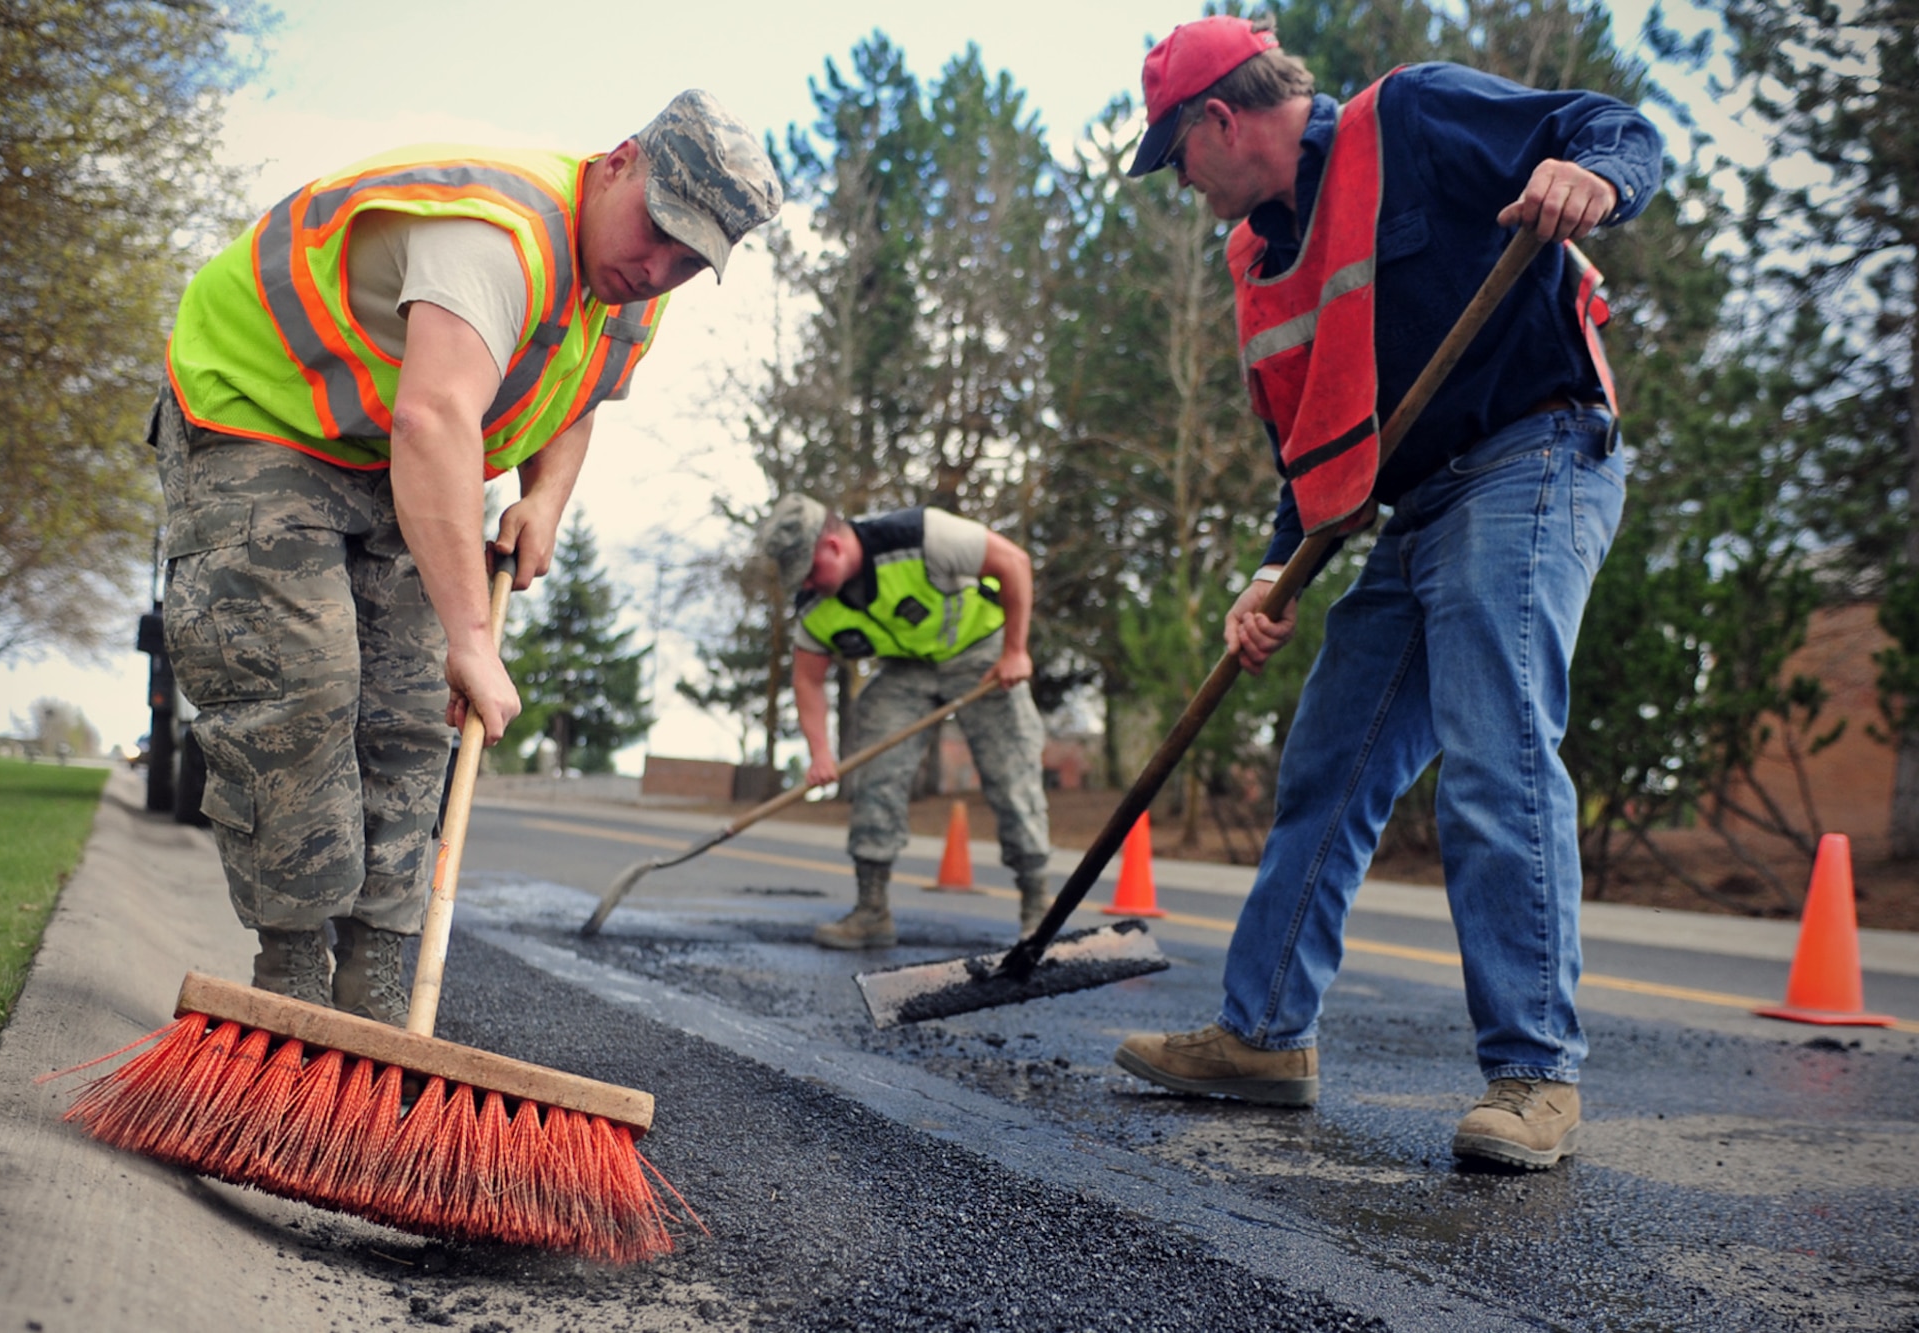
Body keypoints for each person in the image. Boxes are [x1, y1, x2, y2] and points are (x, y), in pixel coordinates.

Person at [1113, 17, 1662, 1170]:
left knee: (1493, 747)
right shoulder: (1260, 259)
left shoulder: (1406, 120)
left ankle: (1532, 1074)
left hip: (1531, 457)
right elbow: (1308, 448)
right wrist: (1273, 575)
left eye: (1176, 156)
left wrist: (1590, 178)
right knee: (1327, 763)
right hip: (1413, 510)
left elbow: (1613, 128)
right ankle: (1262, 1036)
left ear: (1219, 119)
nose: (1180, 181)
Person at [152, 90, 781, 1023]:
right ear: (617, 163)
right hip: (260, 415)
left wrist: (544, 501)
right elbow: (434, 416)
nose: (659, 268)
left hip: (386, 454)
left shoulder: (629, 292)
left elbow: (582, 396)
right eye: (658, 231)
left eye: (690, 260)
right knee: (306, 689)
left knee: (412, 717)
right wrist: (473, 634)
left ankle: (373, 990)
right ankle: (288, 985)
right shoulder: (499, 237)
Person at [759, 494, 1052, 948]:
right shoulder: (816, 607)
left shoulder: (922, 536)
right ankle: (871, 911)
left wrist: (1016, 649)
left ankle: (1038, 911)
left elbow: (1013, 562)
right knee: (877, 774)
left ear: (833, 545)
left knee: (1012, 774)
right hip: (906, 669)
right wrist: (820, 754)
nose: (810, 585)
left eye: (812, 572)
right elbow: (808, 680)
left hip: (981, 654)